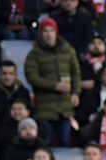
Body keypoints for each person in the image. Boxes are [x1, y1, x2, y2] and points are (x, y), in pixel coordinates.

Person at [24, 17, 80, 146]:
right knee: (46, 143)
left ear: (56, 32)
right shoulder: (34, 54)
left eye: (51, 30)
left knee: (65, 142)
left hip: (65, 108)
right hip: (44, 109)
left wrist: (76, 92)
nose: (48, 34)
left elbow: (76, 73)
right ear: (40, 34)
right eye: (45, 31)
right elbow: (32, 77)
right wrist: (55, 86)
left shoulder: (68, 50)